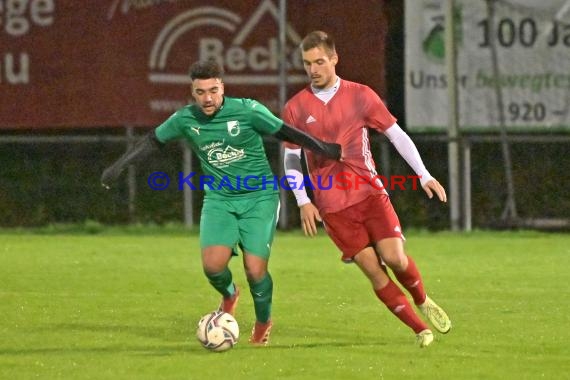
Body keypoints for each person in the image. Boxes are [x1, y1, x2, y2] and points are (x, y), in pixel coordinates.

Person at [101, 59, 341, 346]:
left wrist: (323, 148)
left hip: (259, 198)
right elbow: (153, 141)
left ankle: (263, 322)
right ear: (193, 92)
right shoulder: (185, 119)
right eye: (200, 92)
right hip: (219, 200)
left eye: (213, 90)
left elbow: (285, 132)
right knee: (213, 266)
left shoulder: (248, 110)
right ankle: (229, 295)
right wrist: (119, 166)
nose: (207, 98)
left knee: (255, 269)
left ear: (222, 87)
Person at [282, 31, 451, 348]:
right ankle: (420, 330)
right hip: (333, 207)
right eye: (307, 64)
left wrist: (423, 174)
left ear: (334, 59)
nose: (313, 69)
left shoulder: (360, 95)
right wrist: (303, 200)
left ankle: (423, 300)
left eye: (319, 61)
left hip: (369, 194)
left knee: (395, 258)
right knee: (374, 270)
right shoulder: (295, 107)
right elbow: (290, 158)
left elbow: (396, 135)